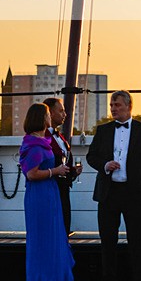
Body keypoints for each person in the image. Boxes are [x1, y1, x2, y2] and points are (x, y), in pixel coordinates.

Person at [86, 90, 141, 281]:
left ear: (128, 106)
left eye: (117, 105)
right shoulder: (103, 130)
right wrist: (105, 165)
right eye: (111, 105)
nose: (113, 108)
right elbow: (91, 156)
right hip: (108, 193)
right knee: (107, 242)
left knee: (137, 241)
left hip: (134, 193)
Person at [19, 102, 75, 281]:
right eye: (48, 115)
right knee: (43, 245)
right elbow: (31, 174)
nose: (51, 118)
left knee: (52, 243)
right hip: (41, 197)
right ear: (43, 118)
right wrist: (55, 171)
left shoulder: (39, 142)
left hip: (48, 195)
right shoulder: (35, 145)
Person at [43, 97, 83, 237]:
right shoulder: (42, 137)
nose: (65, 114)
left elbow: (63, 162)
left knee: (64, 226)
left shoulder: (60, 137)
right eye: (61, 111)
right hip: (51, 189)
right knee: (52, 229)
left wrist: (73, 172)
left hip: (63, 190)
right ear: (50, 113)